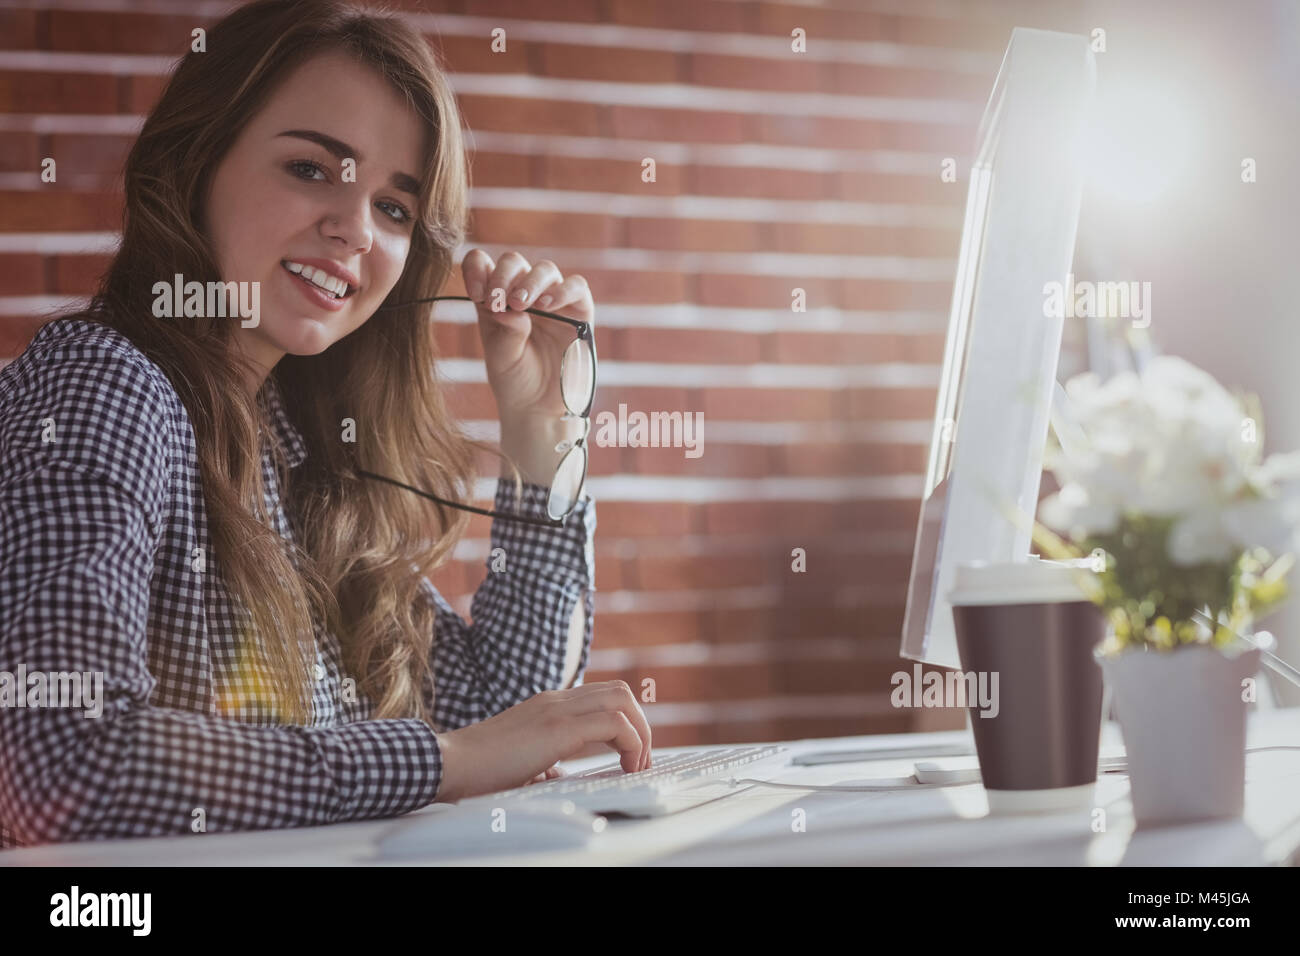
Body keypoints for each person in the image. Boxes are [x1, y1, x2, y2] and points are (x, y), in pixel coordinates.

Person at [0, 0, 650, 849]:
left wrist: (543, 441)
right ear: (196, 160)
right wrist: (440, 762)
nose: (353, 230)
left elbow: (503, 720)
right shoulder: (107, 384)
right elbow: (56, 753)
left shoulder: (296, 447)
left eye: (394, 208)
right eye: (311, 168)